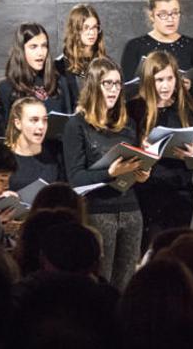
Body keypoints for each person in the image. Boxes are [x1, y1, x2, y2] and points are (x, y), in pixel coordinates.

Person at [63, 57, 149, 288]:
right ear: (93, 85)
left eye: (117, 84)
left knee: (127, 282)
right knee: (101, 282)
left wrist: (141, 173)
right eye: (107, 84)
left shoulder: (128, 123)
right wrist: (109, 173)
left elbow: (133, 165)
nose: (113, 90)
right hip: (97, 213)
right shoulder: (77, 125)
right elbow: (76, 179)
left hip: (131, 210)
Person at [127, 51, 193, 249]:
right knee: (149, 254)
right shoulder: (136, 108)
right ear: (149, 80)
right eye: (159, 80)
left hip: (180, 193)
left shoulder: (186, 107)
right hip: (148, 192)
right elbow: (124, 148)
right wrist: (140, 148)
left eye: (169, 78)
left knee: (178, 255)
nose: (165, 85)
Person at [119, 0, 193, 82]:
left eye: (175, 13)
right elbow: (126, 88)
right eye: (163, 14)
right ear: (151, 16)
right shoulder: (134, 46)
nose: (170, 19)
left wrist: (190, 87)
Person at [0, 22, 72, 123]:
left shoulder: (59, 82)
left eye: (44, 46)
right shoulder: (6, 87)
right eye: (33, 47)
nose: (40, 52)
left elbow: (69, 121)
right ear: (21, 50)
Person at [4, 97, 65, 191]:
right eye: (34, 120)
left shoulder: (56, 150)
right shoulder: (4, 157)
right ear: (18, 123)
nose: (41, 126)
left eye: (44, 120)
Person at [56, 3, 107, 107]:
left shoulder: (106, 62)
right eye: (86, 28)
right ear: (75, 30)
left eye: (94, 27)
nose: (91, 33)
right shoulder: (59, 66)